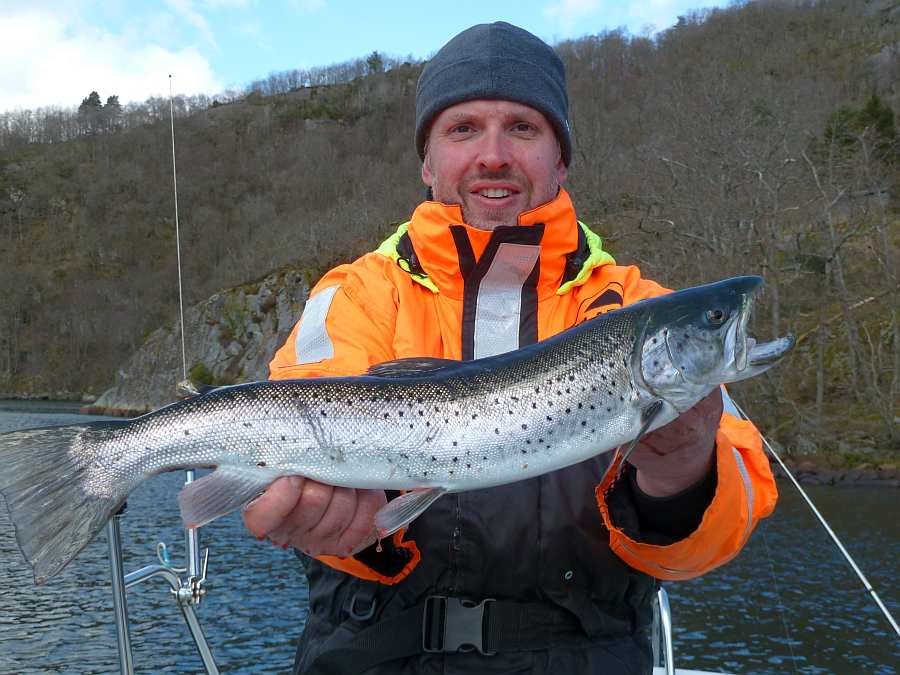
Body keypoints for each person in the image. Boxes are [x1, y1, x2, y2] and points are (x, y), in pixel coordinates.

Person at [244, 21, 777, 674]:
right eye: (463, 128)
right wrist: (343, 526)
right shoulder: (356, 293)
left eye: (522, 128)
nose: (492, 154)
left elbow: (729, 517)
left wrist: (682, 475)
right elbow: (303, 450)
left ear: (561, 158)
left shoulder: (638, 305)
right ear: (428, 160)